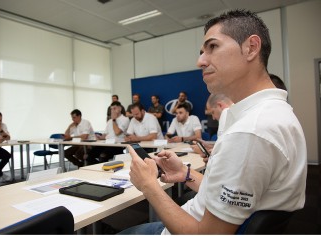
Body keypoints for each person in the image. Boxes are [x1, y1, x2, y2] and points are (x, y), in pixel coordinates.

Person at [121, 9, 307, 234]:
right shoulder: (268, 114)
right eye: (201, 51)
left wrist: (148, 185)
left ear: (251, 47)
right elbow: (227, 198)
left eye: (213, 47)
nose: (200, 61)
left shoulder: (252, 130)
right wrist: (186, 174)